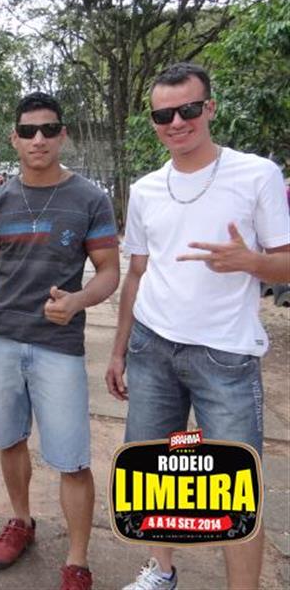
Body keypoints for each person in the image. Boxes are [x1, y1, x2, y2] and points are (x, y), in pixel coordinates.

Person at [105, 62, 290, 590]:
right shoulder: (145, 189)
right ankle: (161, 571)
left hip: (224, 356)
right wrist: (118, 350)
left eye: (187, 109)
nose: (176, 122)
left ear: (209, 108)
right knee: (152, 473)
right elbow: (137, 272)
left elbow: (286, 262)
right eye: (163, 115)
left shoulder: (256, 174)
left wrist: (251, 262)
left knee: (237, 489)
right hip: (152, 348)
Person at [0, 91, 119, 590]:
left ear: (63, 135)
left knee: (71, 457)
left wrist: (78, 301)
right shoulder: (0, 200)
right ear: (14, 139)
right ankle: (21, 520)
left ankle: (77, 560)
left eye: (48, 129)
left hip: (57, 347)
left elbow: (110, 271)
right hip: (0, 340)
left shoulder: (89, 198)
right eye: (27, 131)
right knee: (9, 440)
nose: (38, 139)